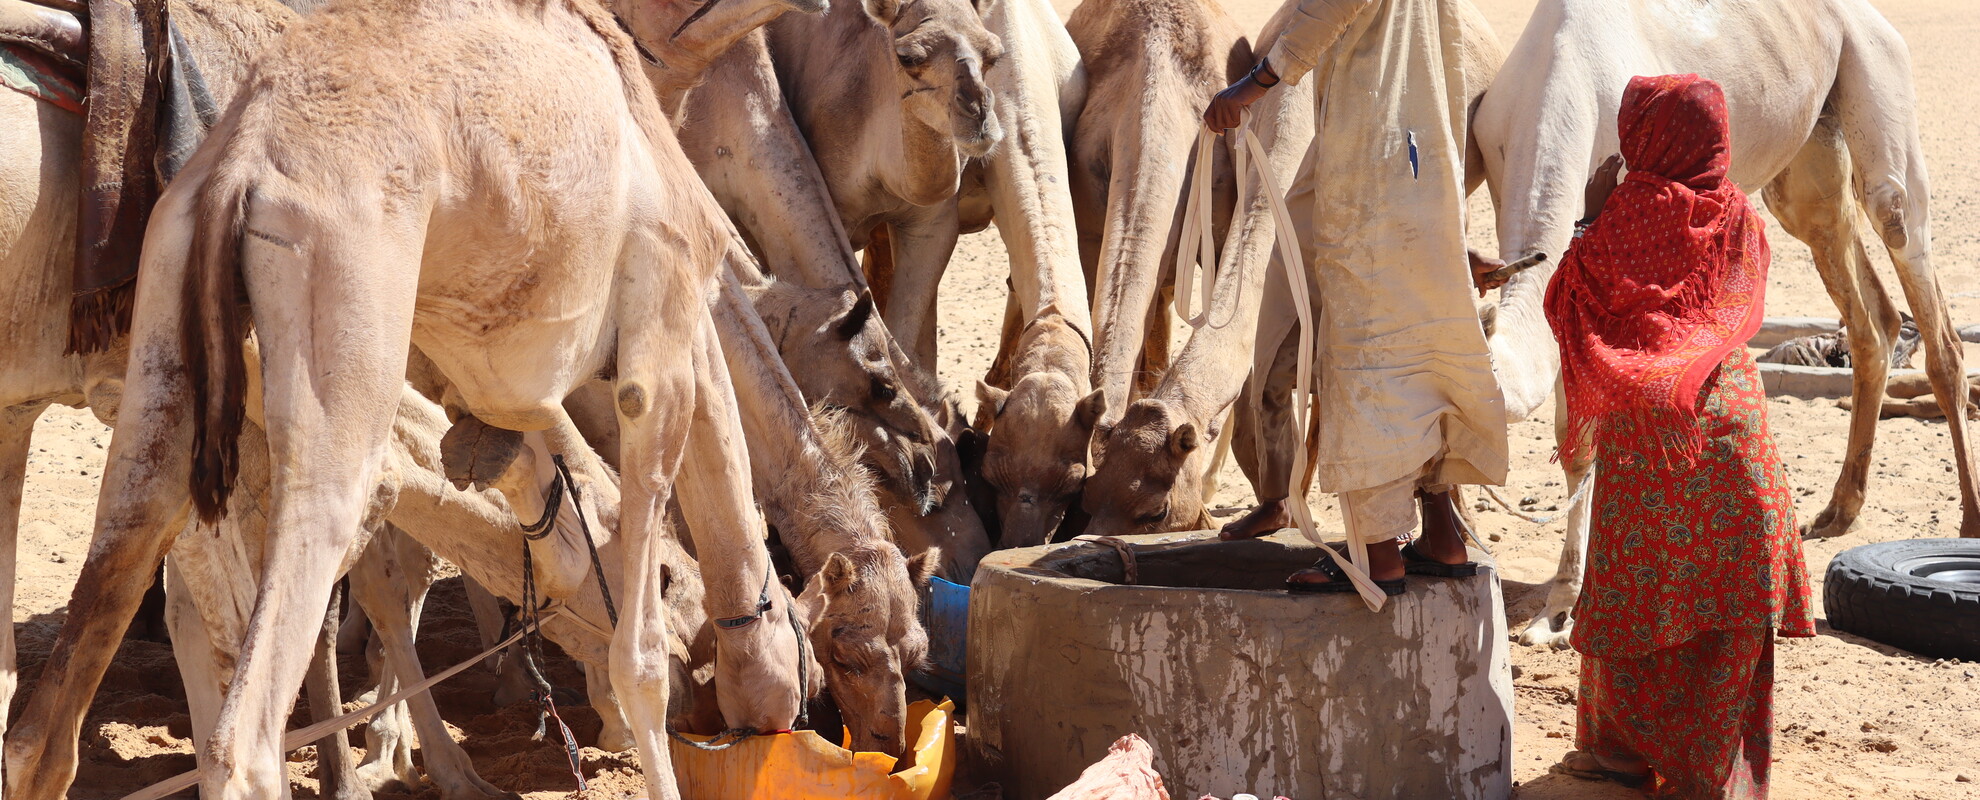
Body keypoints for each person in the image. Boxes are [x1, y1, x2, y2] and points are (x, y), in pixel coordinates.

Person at [1543, 74, 1814, 798]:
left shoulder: (1628, 214)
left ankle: (1622, 754)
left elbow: (1570, 299)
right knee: (1723, 613)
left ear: (1647, 135)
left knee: (1632, 593)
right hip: (1736, 439)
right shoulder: (1738, 214)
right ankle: (1711, 768)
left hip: (1656, 436)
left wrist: (1589, 218)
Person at [1203, 0, 1509, 594]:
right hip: (1416, 147)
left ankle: (1377, 557)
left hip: (1368, 150)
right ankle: (1442, 538)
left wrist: (1252, 86)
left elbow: (1329, 8)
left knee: (1365, 351)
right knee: (1420, 352)